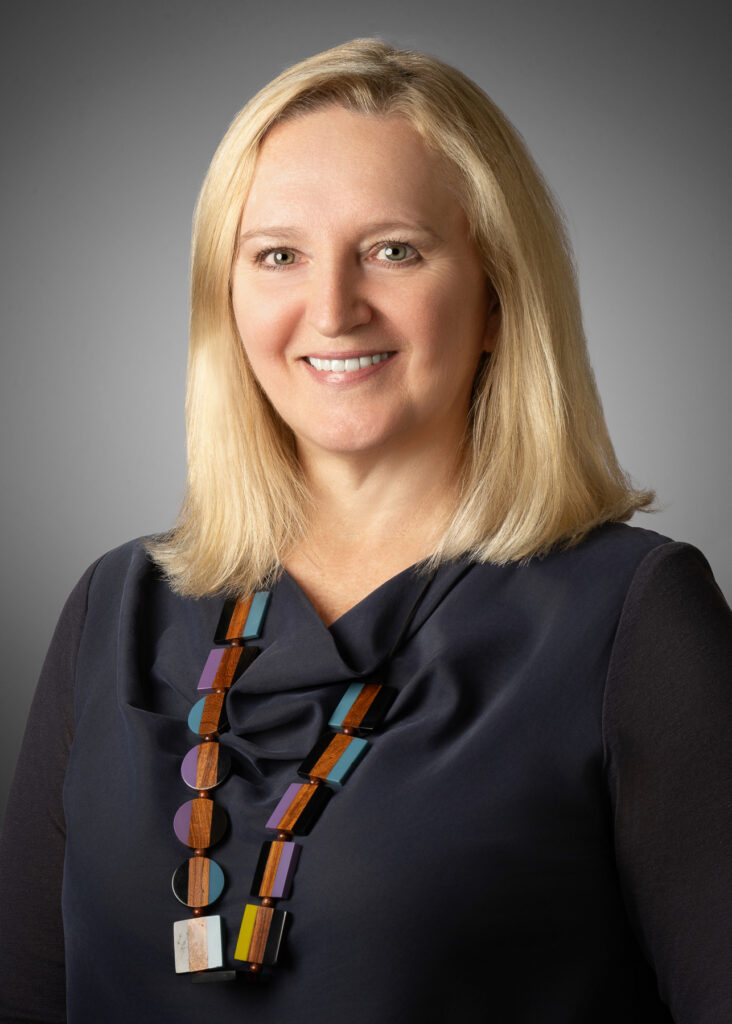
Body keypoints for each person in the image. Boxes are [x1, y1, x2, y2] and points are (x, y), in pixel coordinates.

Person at [0, 37, 730, 1024]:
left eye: (395, 250)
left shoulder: (634, 620)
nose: (333, 309)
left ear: (497, 299)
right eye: (279, 256)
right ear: (226, 298)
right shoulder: (113, 608)